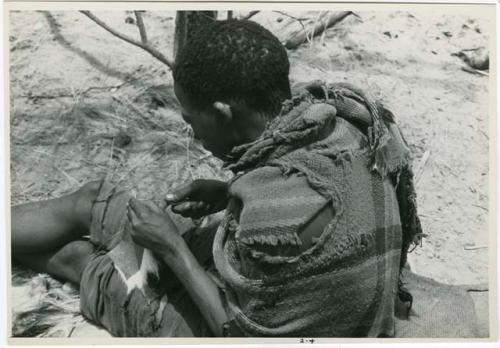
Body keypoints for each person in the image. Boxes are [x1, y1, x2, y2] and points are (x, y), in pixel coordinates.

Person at [12, 19, 423, 337]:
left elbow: (236, 333)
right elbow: (322, 205)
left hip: (238, 327)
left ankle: (81, 270)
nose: (195, 136)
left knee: (87, 260)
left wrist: (172, 248)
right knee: (92, 201)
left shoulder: (277, 220)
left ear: (224, 112)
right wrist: (230, 193)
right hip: (282, 282)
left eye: (194, 122)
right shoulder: (342, 125)